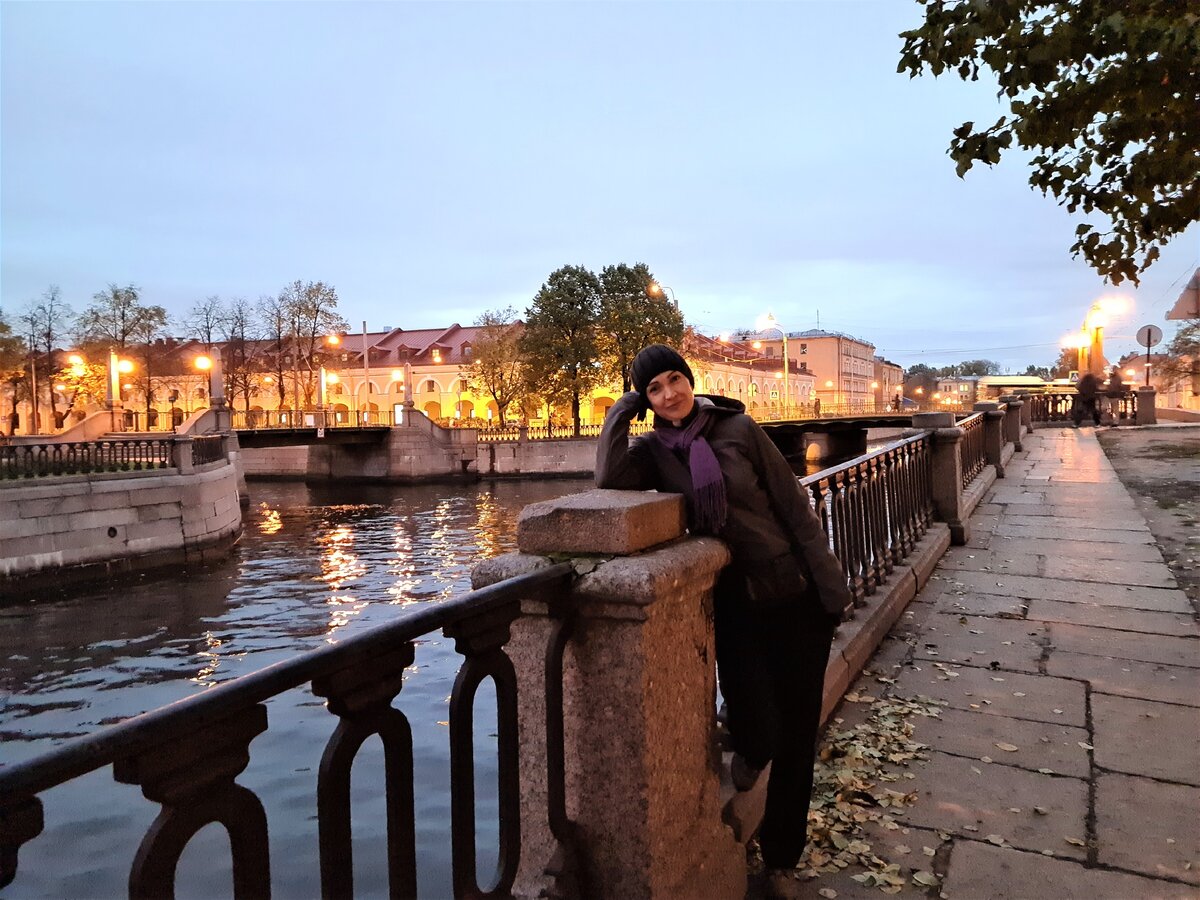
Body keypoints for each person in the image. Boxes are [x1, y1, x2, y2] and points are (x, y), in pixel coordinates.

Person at [596, 344, 852, 890]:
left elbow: (794, 509)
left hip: (794, 592)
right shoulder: (652, 452)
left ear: (690, 379)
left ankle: (781, 858)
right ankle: (754, 750)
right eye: (654, 389)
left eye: (674, 380)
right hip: (735, 601)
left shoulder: (737, 429)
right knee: (757, 721)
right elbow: (609, 481)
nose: (669, 395)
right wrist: (620, 411)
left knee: (798, 736)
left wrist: (831, 590)